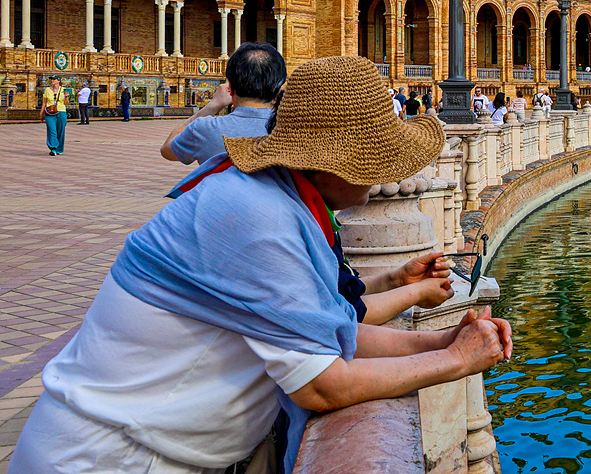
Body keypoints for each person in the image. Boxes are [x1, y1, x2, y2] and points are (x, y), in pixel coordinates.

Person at [10, 55, 513, 474]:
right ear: (331, 162)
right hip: (108, 458)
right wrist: (456, 361)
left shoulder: (277, 199)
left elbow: (335, 331)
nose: (382, 174)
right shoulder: (259, 216)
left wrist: (442, 340)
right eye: (373, 159)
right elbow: (323, 385)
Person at [162, 42, 285, 165]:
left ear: (229, 88)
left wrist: (213, 105)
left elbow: (167, 149)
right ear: (279, 90)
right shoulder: (289, 132)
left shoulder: (205, 129)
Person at [40, 76, 67, 157]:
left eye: (54, 79)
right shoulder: (47, 90)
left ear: (58, 81)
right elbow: (44, 102)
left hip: (61, 111)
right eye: (51, 79)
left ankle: (59, 149)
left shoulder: (64, 90)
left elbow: (66, 103)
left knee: (60, 131)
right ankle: (53, 148)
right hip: (49, 113)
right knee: (52, 130)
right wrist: (41, 113)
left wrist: (66, 97)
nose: (52, 80)